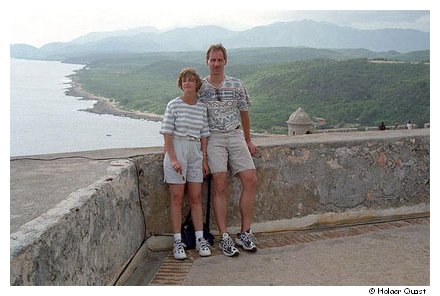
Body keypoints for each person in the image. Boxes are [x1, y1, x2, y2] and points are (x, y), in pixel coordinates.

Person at [198, 44, 258, 257]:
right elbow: (195, 117)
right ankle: (224, 236)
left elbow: (244, 113)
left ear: (225, 61)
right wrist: (201, 152)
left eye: (219, 60)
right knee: (220, 183)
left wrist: (248, 141)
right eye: (212, 60)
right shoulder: (200, 87)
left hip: (235, 134)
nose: (216, 64)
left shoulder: (236, 84)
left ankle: (245, 232)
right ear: (207, 61)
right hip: (213, 137)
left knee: (250, 179)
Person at [160, 67, 211, 260]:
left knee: (196, 198)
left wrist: (204, 159)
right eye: (184, 80)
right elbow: (167, 133)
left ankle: (199, 239)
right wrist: (173, 159)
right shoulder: (173, 105)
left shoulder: (201, 107)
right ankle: (177, 241)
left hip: (195, 150)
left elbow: (204, 134)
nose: (187, 83)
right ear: (181, 84)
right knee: (177, 198)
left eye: (190, 80)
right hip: (178, 148)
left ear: (196, 83)